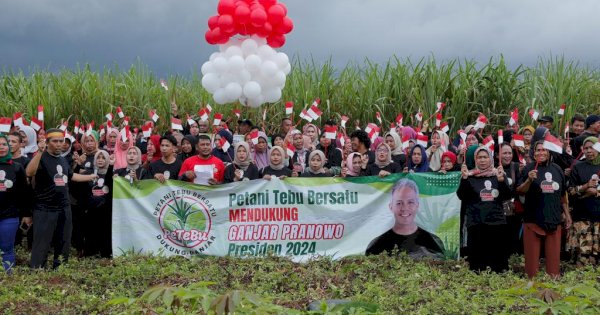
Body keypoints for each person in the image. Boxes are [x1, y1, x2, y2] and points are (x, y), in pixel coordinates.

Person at [26, 129, 98, 269]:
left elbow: (70, 176)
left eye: (61, 141)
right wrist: (40, 152)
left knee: (64, 241)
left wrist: (90, 177)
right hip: (45, 208)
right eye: (55, 141)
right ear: (47, 143)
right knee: (42, 243)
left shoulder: (63, 159)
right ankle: (38, 270)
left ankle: (59, 270)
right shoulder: (42, 157)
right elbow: (29, 172)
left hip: (64, 207)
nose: (59, 144)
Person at [517, 141, 572, 279]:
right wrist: (529, 180)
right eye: (538, 150)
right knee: (531, 264)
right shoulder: (528, 168)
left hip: (553, 219)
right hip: (533, 219)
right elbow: (520, 191)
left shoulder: (557, 169)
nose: (541, 153)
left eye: (544, 150)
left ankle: (553, 286)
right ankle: (531, 287)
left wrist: (567, 214)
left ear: (549, 152)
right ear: (533, 152)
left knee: (554, 264)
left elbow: (562, 195)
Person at [457, 146, 511, 272]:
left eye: (485, 157)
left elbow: (507, 196)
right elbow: (461, 196)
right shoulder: (469, 176)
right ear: (475, 159)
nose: (482, 160)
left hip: (496, 222)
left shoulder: (498, 174)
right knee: (477, 264)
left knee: (498, 262)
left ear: (490, 158)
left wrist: (502, 181)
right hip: (476, 223)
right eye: (479, 157)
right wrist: (464, 180)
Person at [366, 179, 444, 258]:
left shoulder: (434, 243)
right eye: (399, 203)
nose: (404, 208)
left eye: (410, 202)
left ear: (417, 205)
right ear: (391, 207)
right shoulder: (376, 246)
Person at [0, 134, 32, 273]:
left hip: (10, 215)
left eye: (4, 144)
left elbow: (24, 193)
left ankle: (7, 275)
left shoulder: (17, 168)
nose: (1, 147)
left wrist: (26, 214)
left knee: (7, 247)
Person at [567, 137, 600, 266]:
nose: (588, 151)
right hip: (582, 217)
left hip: (598, 217)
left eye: (591, 147)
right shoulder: (578, 167)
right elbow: (570, 191)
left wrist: (596, 192)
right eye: (585, 148)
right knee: (583, 255)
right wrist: (586, 187)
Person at [83, 150, 113, 258]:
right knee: (91, 231)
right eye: (98, 157)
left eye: (103, 158)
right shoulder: (89, 173)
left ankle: (105, 253)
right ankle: (90, 252)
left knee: (105, 232)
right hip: (92, 209)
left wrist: (110, 168)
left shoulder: (111, 173)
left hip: (106, 210)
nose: (100, 160)